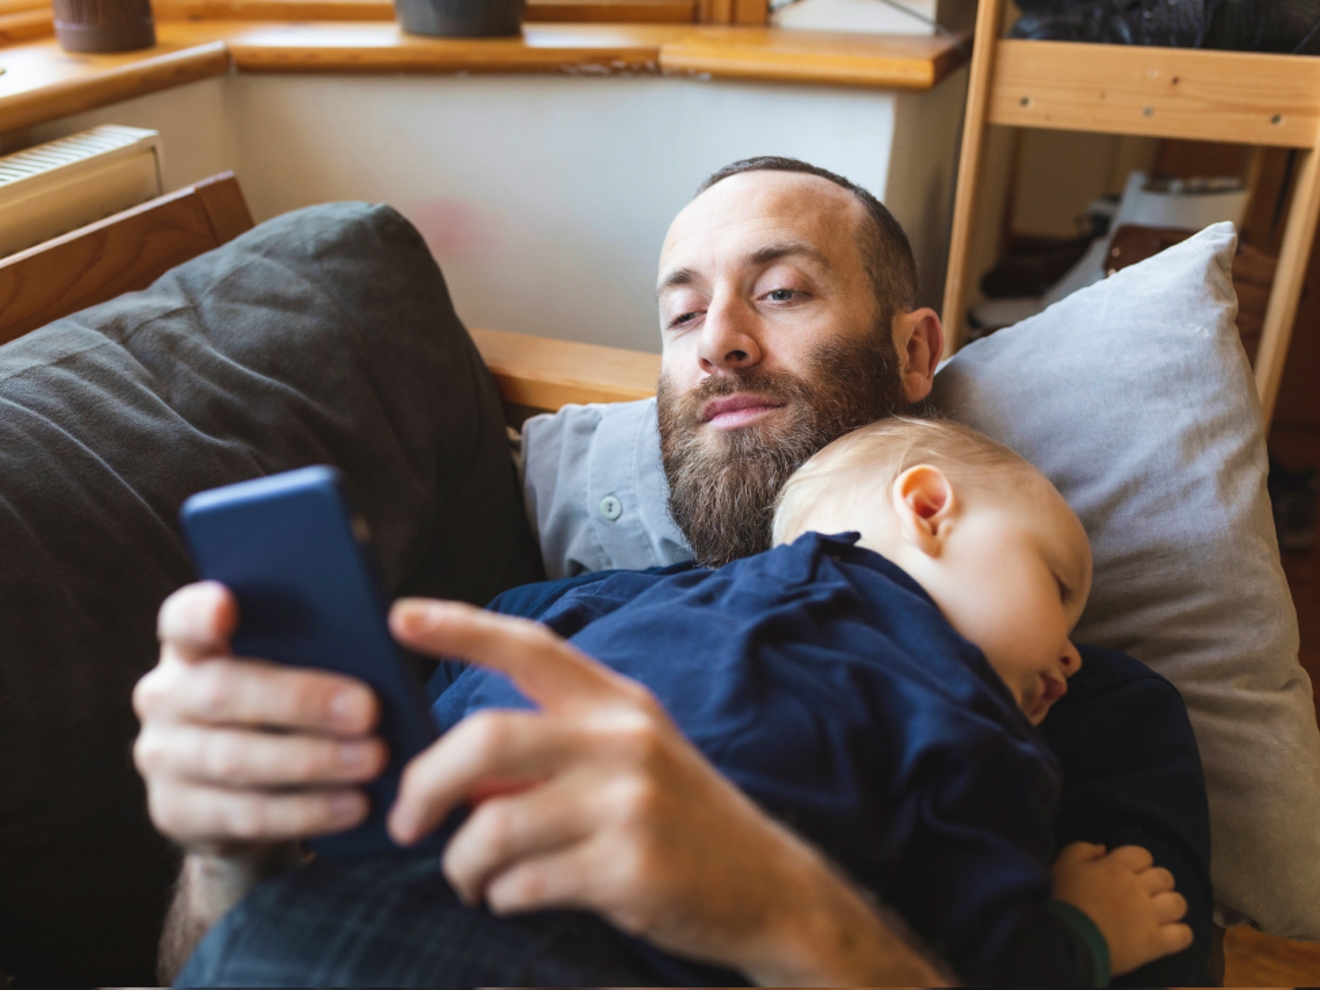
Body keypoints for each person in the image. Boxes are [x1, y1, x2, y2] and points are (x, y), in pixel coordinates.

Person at [134, 157, 1213, 985]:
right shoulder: (539, 622)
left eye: (780, 293)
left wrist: (786, 919)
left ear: (914, 351)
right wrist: (231, 855)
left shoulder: (1067, 698)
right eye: (683, 314)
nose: (718, 342)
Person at [411, 416, 1190, 986]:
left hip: (434, 884)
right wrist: (1086, 932)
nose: (1072, 653)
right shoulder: (969, 722)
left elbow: (468, 698)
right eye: (1059, 586)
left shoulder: (633, 605)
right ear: (927, 508)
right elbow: (984, 957)